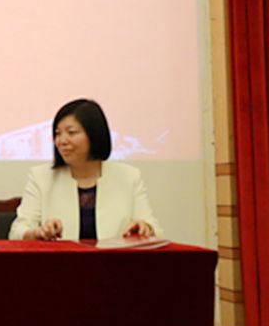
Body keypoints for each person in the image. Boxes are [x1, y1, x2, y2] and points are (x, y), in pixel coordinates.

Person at [9, 98, 161, 242]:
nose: (61, 141)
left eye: (71, 132)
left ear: (94, 135)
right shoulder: (41, 177)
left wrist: (145, 228)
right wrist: (37, 233)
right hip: (60, 260)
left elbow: (155, 230)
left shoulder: (129, 177)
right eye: (57, 133)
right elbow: (17, 232)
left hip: (114, 260)